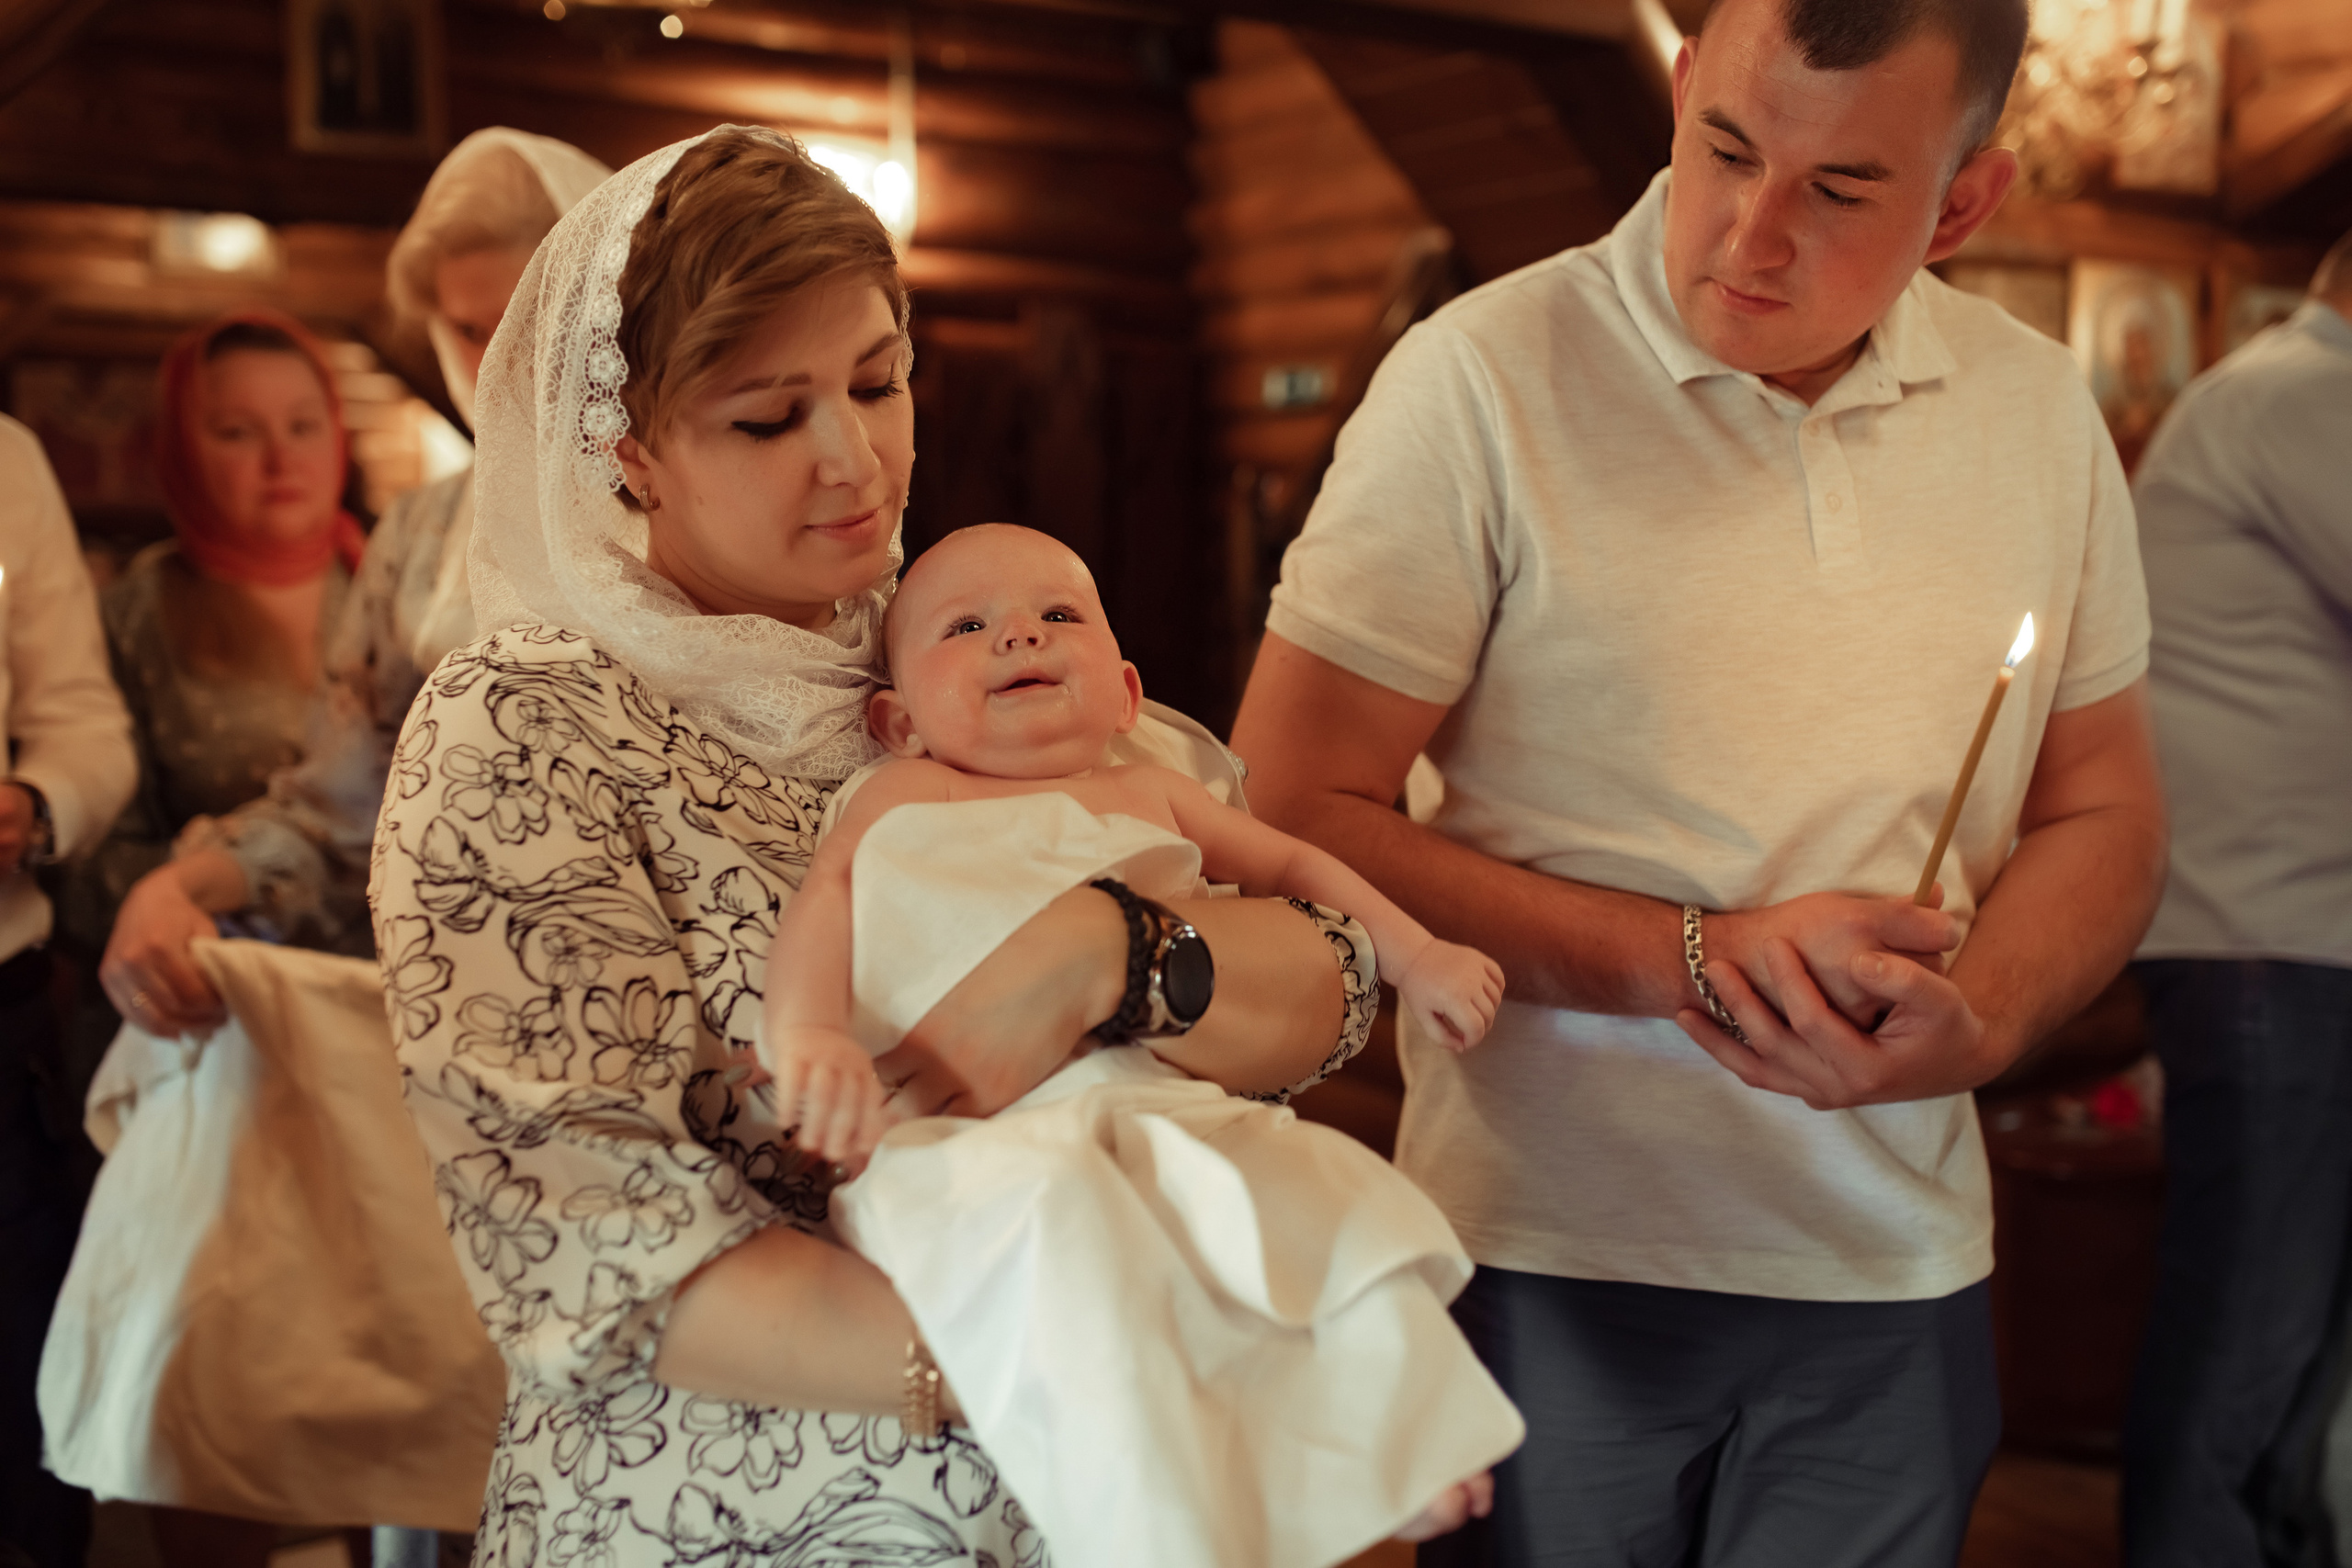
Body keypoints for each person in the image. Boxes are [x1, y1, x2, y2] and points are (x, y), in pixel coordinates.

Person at [371, 124, 1394, 1565]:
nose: (855, 460)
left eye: (877, 381)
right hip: (754, 1503)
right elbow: (591, 1241)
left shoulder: (963, 639)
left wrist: (1114, 952)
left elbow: (1330, 982)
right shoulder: (528, 723)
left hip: (1140, 1466)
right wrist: (1069, 1352)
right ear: (633, 453)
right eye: (767, 417)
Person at [1228, 0, 2169, 1560]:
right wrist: (1684, 959)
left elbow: (2107, 811)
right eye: (1726, 148)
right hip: (1546, 1255)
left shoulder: (2040, 412)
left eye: (1842, 189)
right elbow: (1287, 807)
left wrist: (1990, 1016)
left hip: (1899, 1273)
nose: (1749, 232)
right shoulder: (1479, 378)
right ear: (1679, 89)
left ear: (1963, 205)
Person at [764, 522, 1514, 1565]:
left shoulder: (1147, 791)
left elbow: (1296, 870)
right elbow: (829, 898)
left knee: (1305, 1191)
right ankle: (1162, 1534)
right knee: (1084, 1264)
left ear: (1124, 696)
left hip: (1147, 1086)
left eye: (1057, 614)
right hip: (974, 1131)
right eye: (967, 627)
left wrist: (1417, 955)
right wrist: (806, 1031)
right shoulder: (903, 791)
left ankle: (1396, 1426)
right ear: (898, 720)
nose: (1019, 635)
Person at [99, 130, 609, 1041]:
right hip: (464, 1009)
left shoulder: (699, 489)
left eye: (529, 315)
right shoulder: (419, 535)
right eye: (466, 330)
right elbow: (343, 812)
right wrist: (180, 885)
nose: (498, 360)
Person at [2122, 229, 2352, 1568]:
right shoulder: (2300, 393)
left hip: (2302, 929)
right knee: (2251, 1326)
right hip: (2267, 930)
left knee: (2301, 1339)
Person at [65, 310, 364, 995]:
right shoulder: (133, 617)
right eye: (237, 432)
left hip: (397, 989)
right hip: (213, 996)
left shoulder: (401, 585)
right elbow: (77, 869)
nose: (281, 460)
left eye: (303, 426)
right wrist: (199, 872)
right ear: (180, 448)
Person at [0, 418, 135, 1568]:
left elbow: (83, 723)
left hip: (1, 1029)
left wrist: (37, 802)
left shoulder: (7, 463)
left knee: (17, 1444)